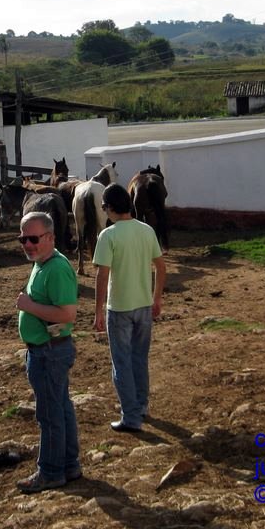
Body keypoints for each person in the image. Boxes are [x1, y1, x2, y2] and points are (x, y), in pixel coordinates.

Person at [14, 211, 82, 494]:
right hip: (46, 350)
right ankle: (68, 464)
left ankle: (51, 472)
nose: (28, 244)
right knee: (61, 408)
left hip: (49, 353)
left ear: (51, 237)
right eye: (23, 239)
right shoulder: (43, 263)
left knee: (49, 413)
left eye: (33, 238)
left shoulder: (55, 268)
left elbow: (67, 315)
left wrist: (28, 306)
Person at [92, 183, 166, 432]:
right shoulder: (146, 231)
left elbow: (102, 276)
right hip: (144, 306)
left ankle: (131, 416)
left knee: (121, 362)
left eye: (103, 207)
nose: (104, 211)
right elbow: (161, 266)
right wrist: (157, 298)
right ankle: (142, 406)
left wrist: (98, 310)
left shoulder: (108, 235)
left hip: (120, 307)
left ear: (111, 207)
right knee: (139, 359)